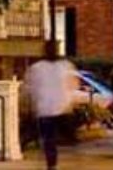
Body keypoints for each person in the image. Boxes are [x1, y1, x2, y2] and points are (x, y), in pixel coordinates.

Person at [25, 39, 77, 170]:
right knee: (50, 140)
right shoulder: (40, 68)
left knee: (51, 140)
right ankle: (52, 164)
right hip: (50, 109)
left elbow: (31, 88)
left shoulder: (61, 66)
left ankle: (52, 163)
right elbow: (31, 88)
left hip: (54, 109)